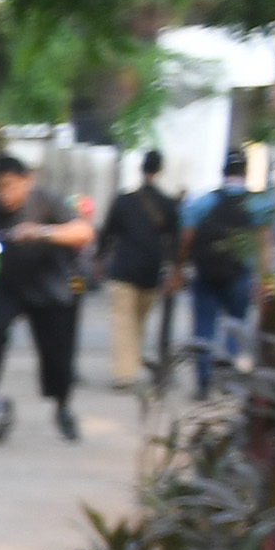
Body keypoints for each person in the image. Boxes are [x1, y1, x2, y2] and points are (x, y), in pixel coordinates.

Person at [0, 151, 93, 439]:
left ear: (26, 181)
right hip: (9, 285)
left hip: (49, 289)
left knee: (57, 354)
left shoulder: (47, 201)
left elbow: (82, 232)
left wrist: (42, 232)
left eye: (11, 185)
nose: (5, 194)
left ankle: (62, 407)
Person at [97, 150, 180, 394]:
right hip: (151, 272)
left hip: (123, 269)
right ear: (160, 170)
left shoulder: (124, 200)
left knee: (123, 323)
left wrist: (99, 258)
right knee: (138, 322)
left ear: (141, 169)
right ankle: (129, 367)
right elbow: (174, 241)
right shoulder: (167, 204)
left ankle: (125, 374)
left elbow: (107, 233)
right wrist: (175, 269)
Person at [184, 150, 260, 397]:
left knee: (203, 328)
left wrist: (181, 264)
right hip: (240, 274)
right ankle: (228, 383)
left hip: (206, 273)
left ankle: (203, 384)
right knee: (236, 328)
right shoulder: (257, 204)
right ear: (245, 172)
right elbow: (265, 241)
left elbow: (187, 233)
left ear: (223, 172)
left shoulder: (204, 202)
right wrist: (265, 277)